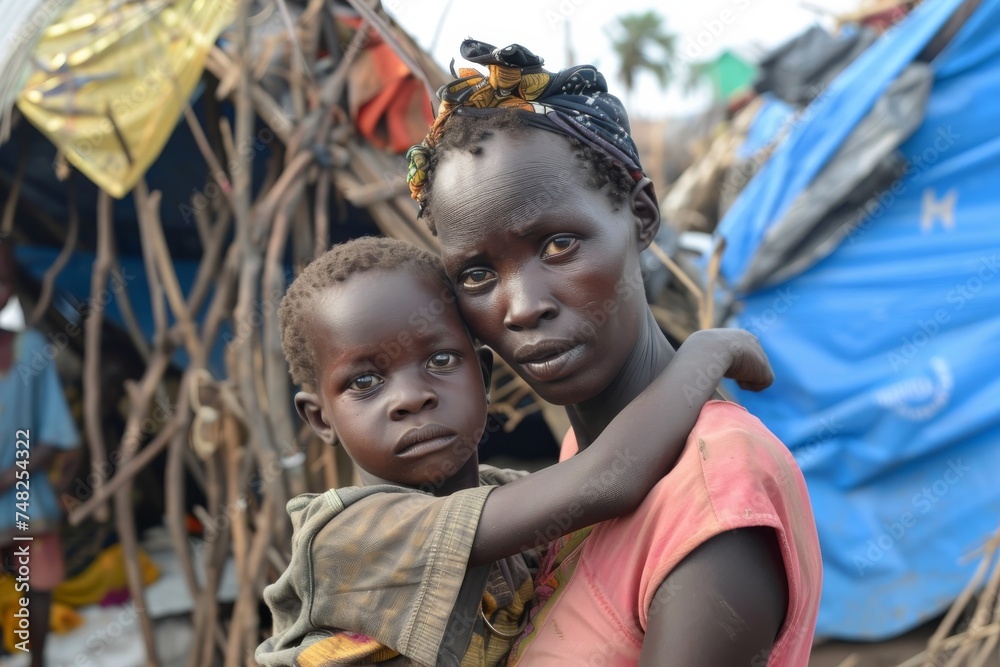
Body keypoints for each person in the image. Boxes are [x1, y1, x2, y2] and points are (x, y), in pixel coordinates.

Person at [408, 40, 823, 665]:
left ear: (642, 216)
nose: (521, 307)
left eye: (558, 244)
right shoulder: (588, 454)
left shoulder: (714, 491)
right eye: (476, 276)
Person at [255, 236, 773, 666]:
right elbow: (611, 479)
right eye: (365, 381)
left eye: (439, 360)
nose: (412, 397)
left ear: (482, 375)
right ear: (321, 417)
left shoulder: (512, 506)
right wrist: (706, 353)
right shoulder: (346, 535)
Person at [0, 237, 81, 667]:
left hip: (24, 496)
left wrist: (12, 474)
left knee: (37, 586)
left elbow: (55, 435)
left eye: (2, 281)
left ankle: (37, 661)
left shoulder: (32, 349)